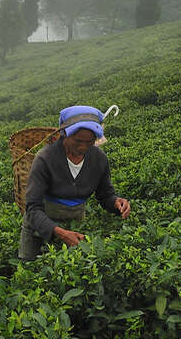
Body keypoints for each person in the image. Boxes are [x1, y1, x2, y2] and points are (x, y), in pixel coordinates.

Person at [18, 106, 131, 261]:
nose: (83, 147)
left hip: (75, 225)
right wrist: (60, 232)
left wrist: (117, 203)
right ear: (64, 135)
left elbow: (105, 195)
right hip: (40, 226)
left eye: (89, 142)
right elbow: (32, 208)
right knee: (31, 269)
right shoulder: (45, 158)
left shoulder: (99, 158)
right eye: (78, 141)